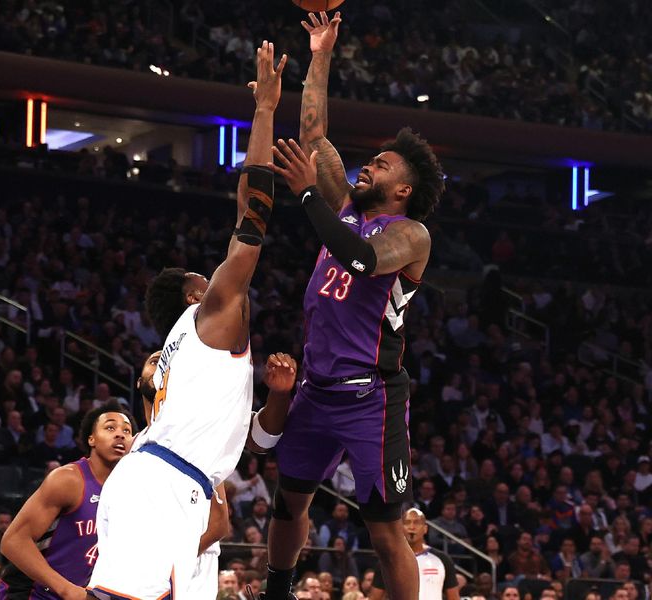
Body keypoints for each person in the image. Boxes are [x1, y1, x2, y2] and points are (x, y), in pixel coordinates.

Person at [87, 39, 286, 600]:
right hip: (164, 484)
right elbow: (252, 217)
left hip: (170, 482)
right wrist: (265, 112)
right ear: (196, 289)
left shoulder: (187, 344)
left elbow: (256, 435)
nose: (218, 274)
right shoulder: (212, 311)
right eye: (209, 273)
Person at [262, 11, 444, 600]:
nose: (370, 165)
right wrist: (320, 52)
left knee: (384, 529)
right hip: (317, 388)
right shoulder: (344, 204)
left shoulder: (410, 234)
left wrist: (309, 194)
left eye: (384, 165)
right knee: (288, 502)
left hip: (373, 396)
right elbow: (314, 134)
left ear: (404, 188)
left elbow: (362, 260)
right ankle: (277, 589)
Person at [135, 347, 298, 600]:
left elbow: (219, 524)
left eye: (165, 362)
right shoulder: (132, 448)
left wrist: (279, 394)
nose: (160, 366)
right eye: (154, 361)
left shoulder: (200, 430)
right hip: (140, 571)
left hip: (188, 574)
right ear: (138, 381)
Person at [0, 405, 132, 599]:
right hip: (32, 592)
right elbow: (12, 542)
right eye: (110, 428)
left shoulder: (128, 491)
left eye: (126, 431)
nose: (120, 435)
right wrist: (66, 589)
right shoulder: (68, 479)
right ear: (91, 439)